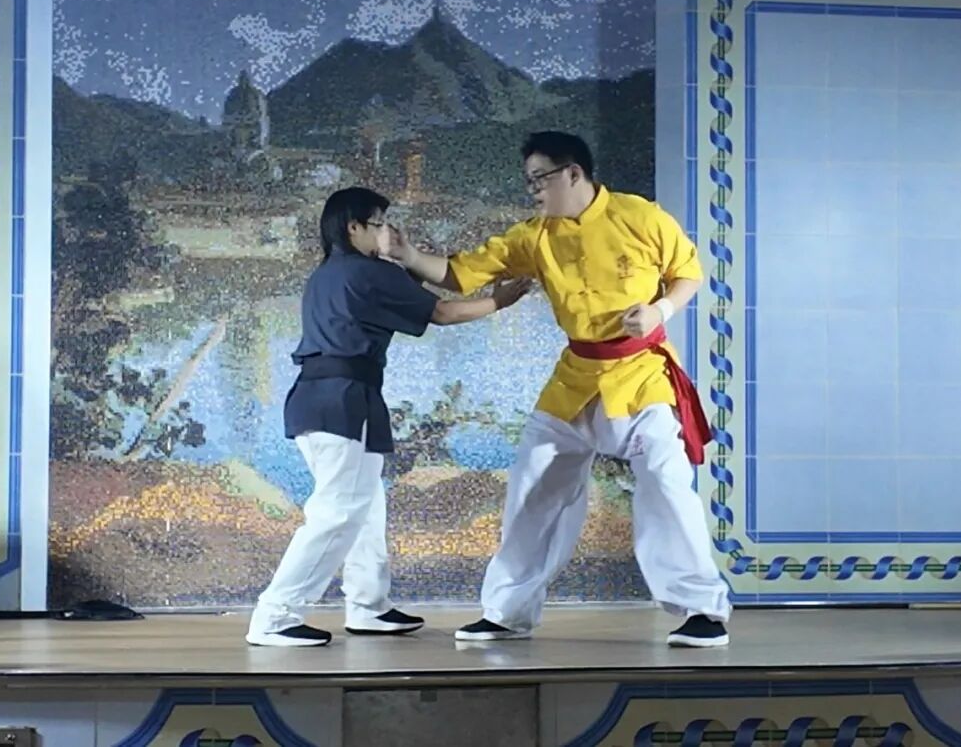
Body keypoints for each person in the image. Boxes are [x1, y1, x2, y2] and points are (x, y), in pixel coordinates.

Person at [382, 132, 731, 647]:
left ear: (573, 173)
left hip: (641, 377)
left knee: (666, 480)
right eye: (528, 181)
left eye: (539, 178)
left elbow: (688, 273)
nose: (533, 190)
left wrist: (660, 310)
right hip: (574, 380)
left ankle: (702, 610)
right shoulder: (533, 237)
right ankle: (507, 612)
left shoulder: (640, 216)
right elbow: (460, 274)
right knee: (533, 487)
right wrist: (407, 253)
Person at [246, 187, 530, 647]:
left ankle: (368, 606)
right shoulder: (367, 271)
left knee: (364, 504)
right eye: (378, 223)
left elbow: (413, 296)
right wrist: (499, 301)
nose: (386, 231)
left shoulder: (327, 274)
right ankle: (274, 616)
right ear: (353, 227)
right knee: (337, 512)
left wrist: (404, 259)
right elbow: (441, 311)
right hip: (343, 398)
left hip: (320, 398)